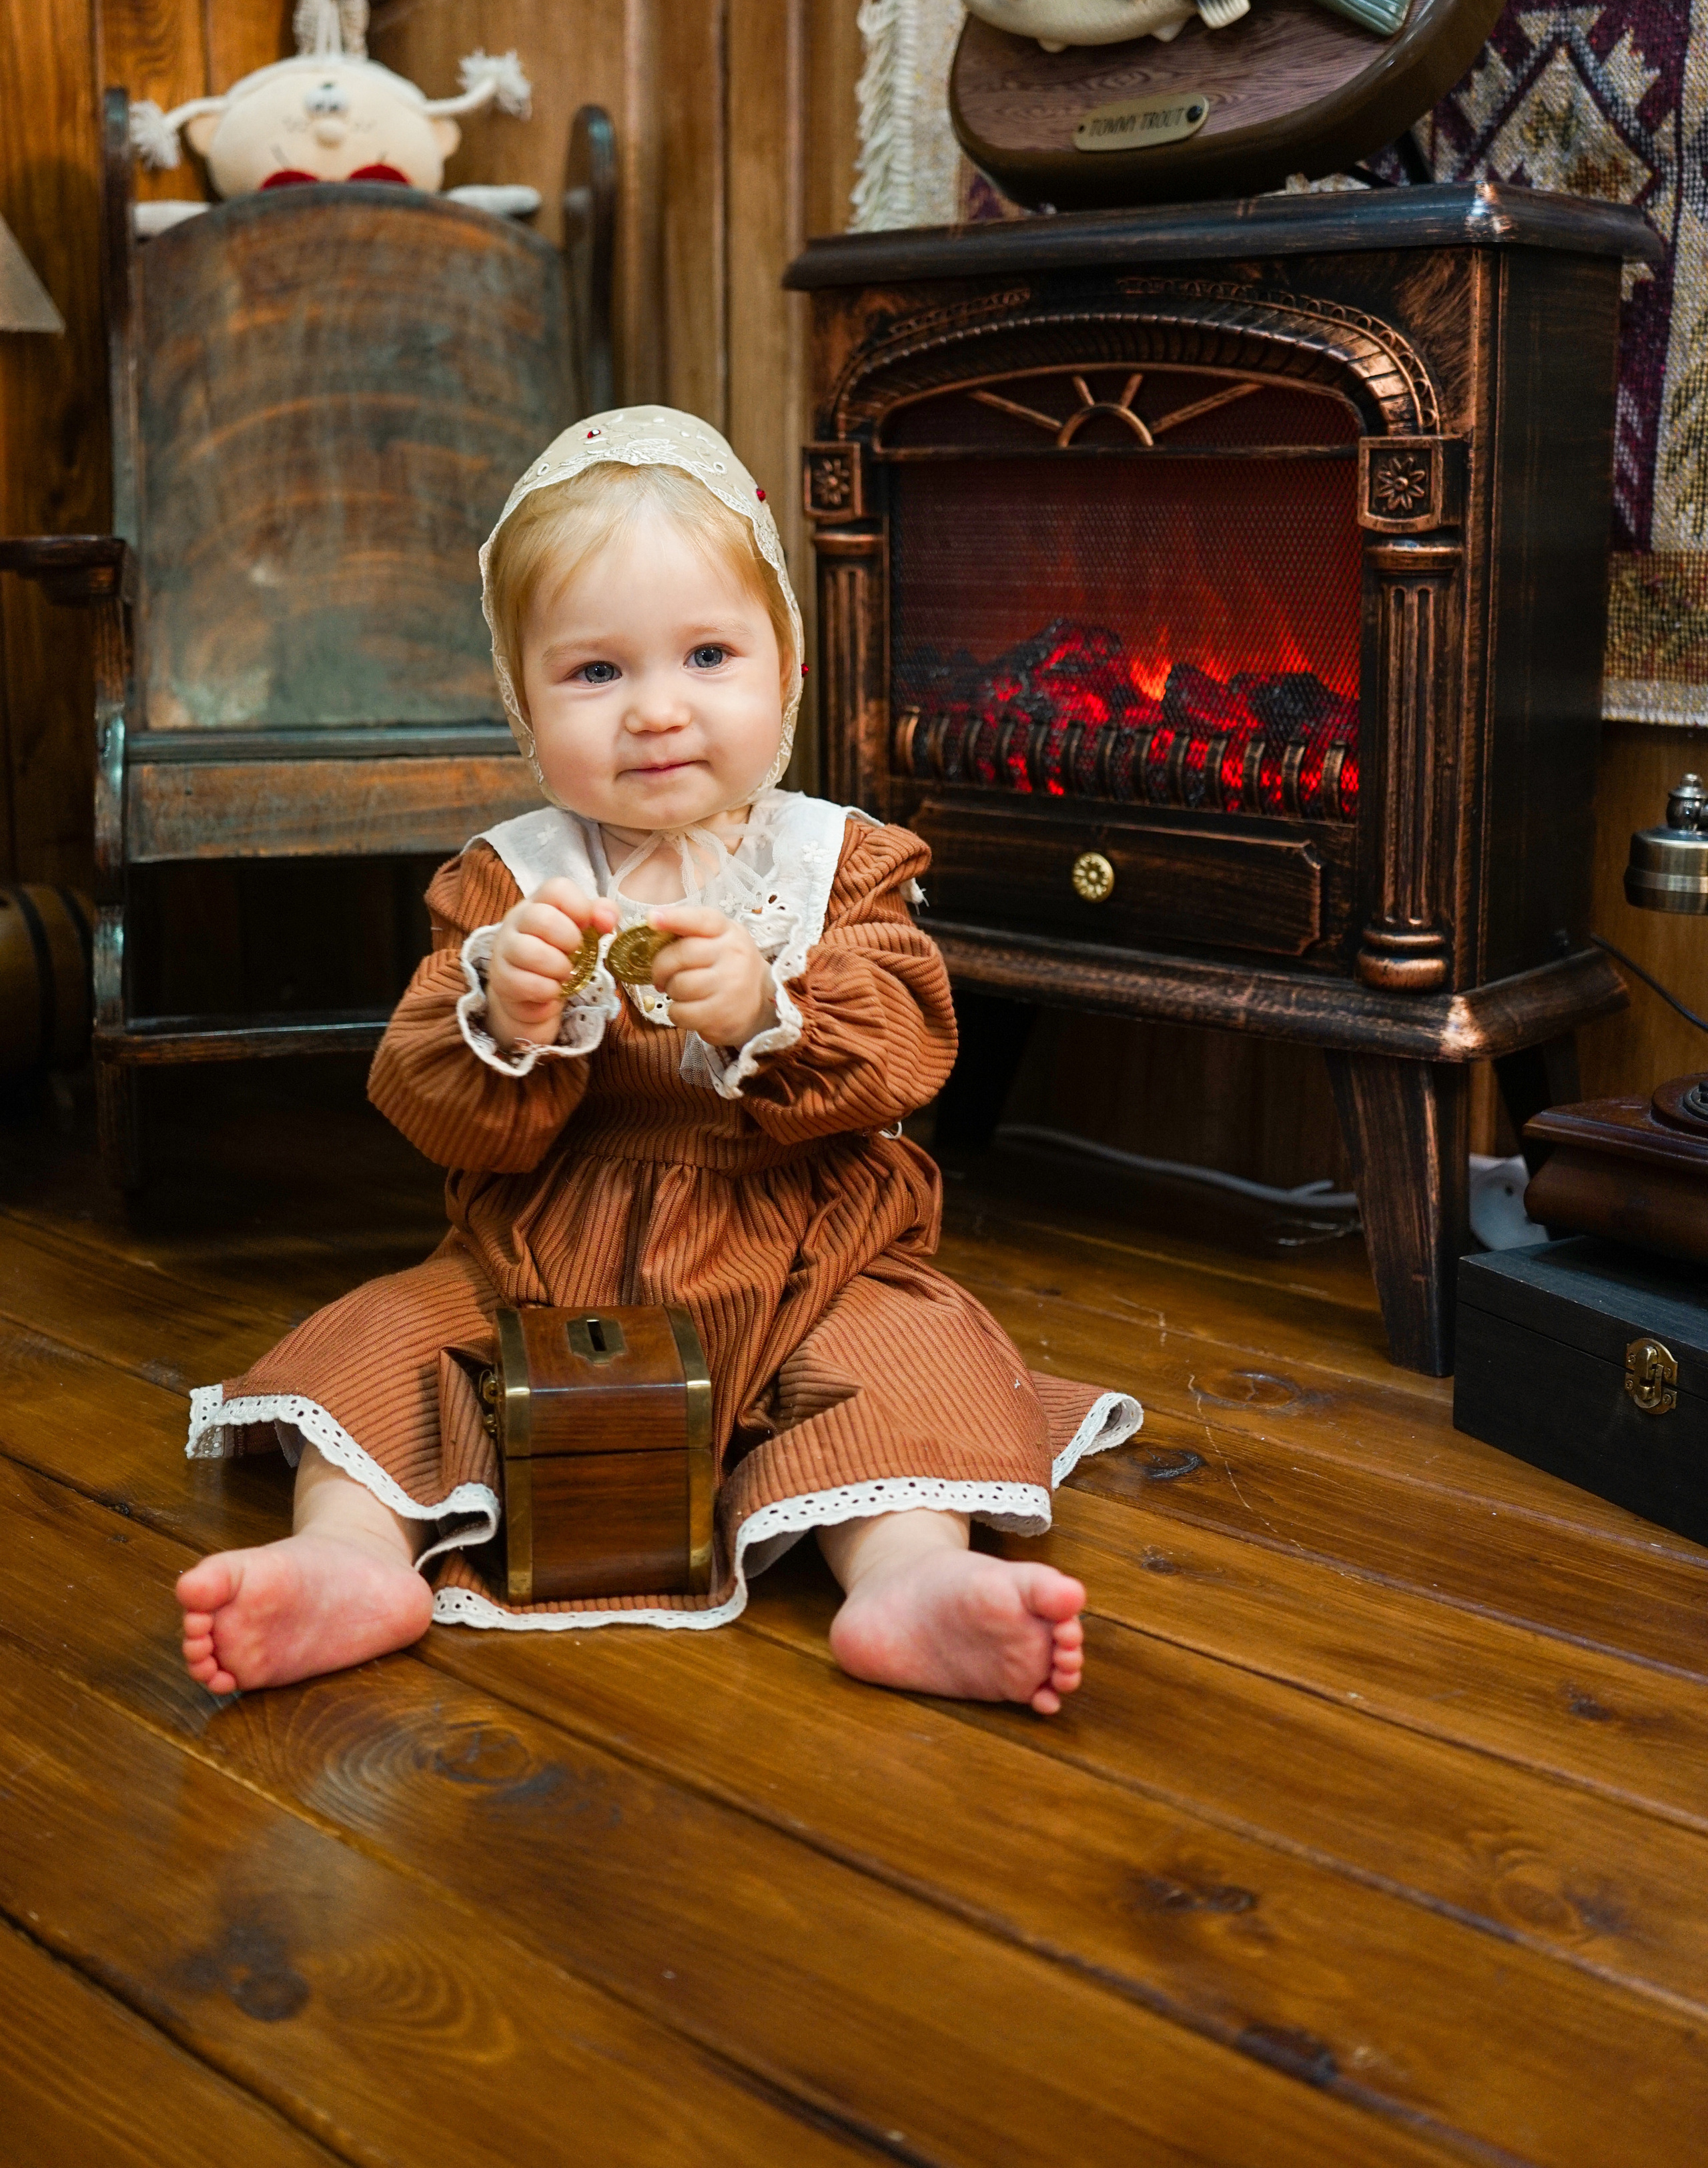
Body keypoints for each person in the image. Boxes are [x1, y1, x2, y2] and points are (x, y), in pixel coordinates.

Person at [177, 407, 1141, 1712]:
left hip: (805, 1249)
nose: (656, 710)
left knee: (910, 1361)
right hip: (538, 1259)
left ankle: (908, 1579)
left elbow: (908, 1048)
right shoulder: (507, 884)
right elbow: (424, 1099)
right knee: (390, 1338)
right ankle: (347, 1558)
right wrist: (503, 1018)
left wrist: (760, 1009)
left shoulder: (832, 864)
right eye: (594, 673)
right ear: (524, 705)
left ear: (783, 670)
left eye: (704, 654)